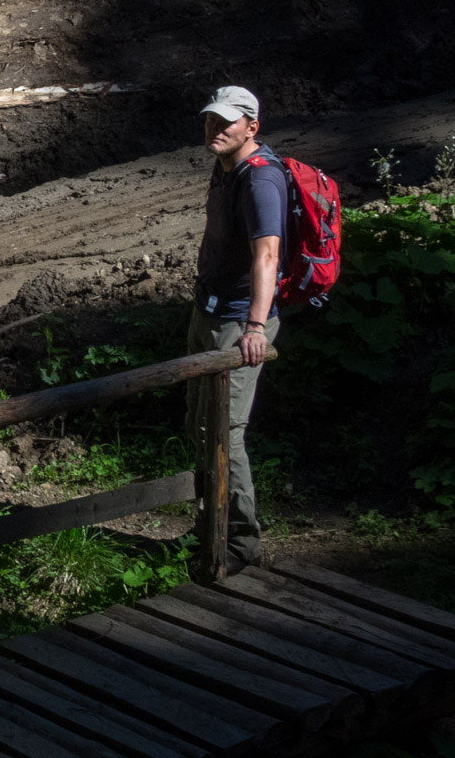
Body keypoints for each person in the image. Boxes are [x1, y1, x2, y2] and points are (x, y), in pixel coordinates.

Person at [189, 85, 285, 572]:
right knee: (200, 425)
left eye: (226, 122)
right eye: (210, 120)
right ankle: (211, 526)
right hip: (210, 311)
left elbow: (267, 253)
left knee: (226, 431)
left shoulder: (260, 180)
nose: (215, 128)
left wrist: (255, 326)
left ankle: (240, 546)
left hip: (238, 321)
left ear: (252, 126)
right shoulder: (224, 167)